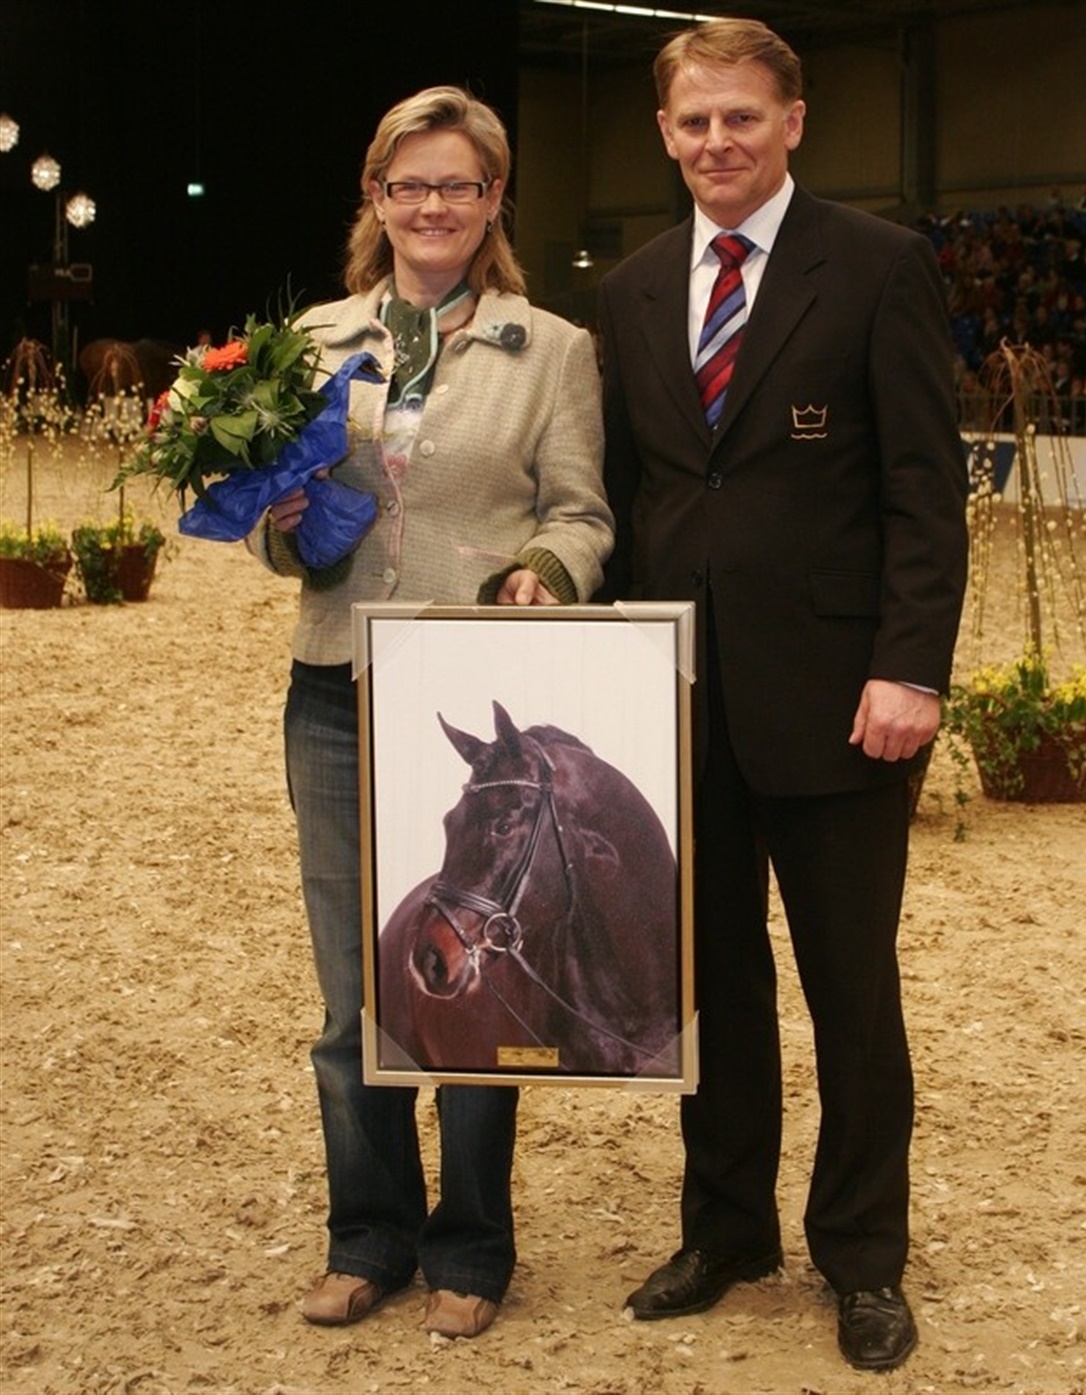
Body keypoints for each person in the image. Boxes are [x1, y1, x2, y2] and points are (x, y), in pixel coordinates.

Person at [596, 19, 968, 1374]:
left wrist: (910, 664)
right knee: (711, 989)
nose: (718, 143)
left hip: (841, 704)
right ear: (665, 132)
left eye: (742, 117)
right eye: (694, 122)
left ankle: (862, 1255)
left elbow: (924, 490)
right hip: (678, 704)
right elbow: (632, 497)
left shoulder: (875, 267)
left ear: (794, 121)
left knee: (851, 993)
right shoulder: (633, 291)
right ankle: (727, 1228)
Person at [248, 86, 613, 1338]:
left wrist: (548, 567)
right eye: (410, 184)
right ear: (378, 197)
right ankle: (367, 1237)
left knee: (469, 986)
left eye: (458, 183)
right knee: (353, 991)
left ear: (494, 198)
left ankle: (472, 1246)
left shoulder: (551, 349)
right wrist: (278, 525)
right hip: (334, 687)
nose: (433, 205)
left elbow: (582, 511)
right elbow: (279, 532)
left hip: (466, 706)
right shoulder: (315, 339)